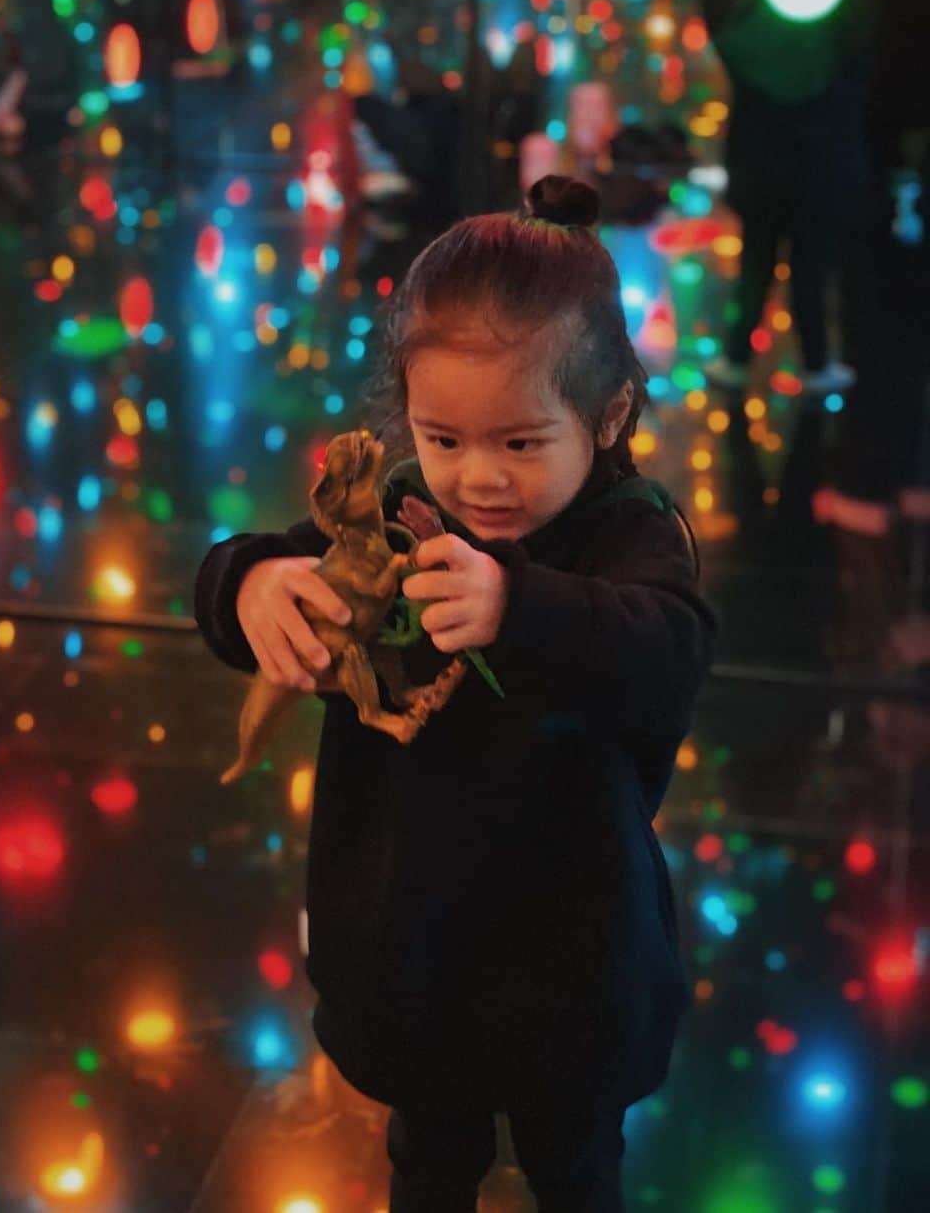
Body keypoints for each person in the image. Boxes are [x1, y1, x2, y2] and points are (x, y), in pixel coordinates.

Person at [194, 175, 718, 1212]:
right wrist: (250, 585)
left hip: (569, 945)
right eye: (442, 439)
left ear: (607, 413)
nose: (476, 480)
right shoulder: (397, 511)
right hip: (413, 934)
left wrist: (519, 606)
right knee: (428, 1162)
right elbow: (250, 566)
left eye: (520, 442)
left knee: (575, 1166)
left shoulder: (629, 532)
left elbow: (669, 653)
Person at [689, 0, 870, 396]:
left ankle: (736, 357)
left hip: (759, 154)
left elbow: (718, 16)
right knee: (812, 265)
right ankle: (815, 364)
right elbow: (864, 51)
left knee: (756, 262)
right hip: (822, 157)